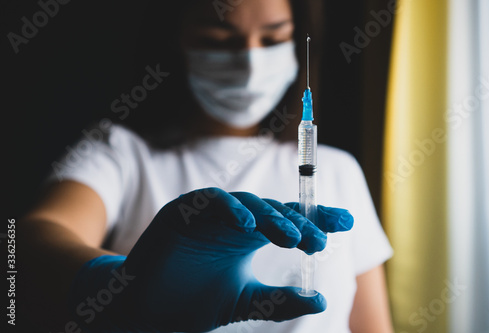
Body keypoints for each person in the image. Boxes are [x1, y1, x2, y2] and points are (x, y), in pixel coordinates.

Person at [19, 0, 394, 332]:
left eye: (273, 39)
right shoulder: (122, 152)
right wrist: (125, 287)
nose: (250, 60)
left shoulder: (339, 169)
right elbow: (28, 245)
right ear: (175, 39)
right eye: (219, 39)